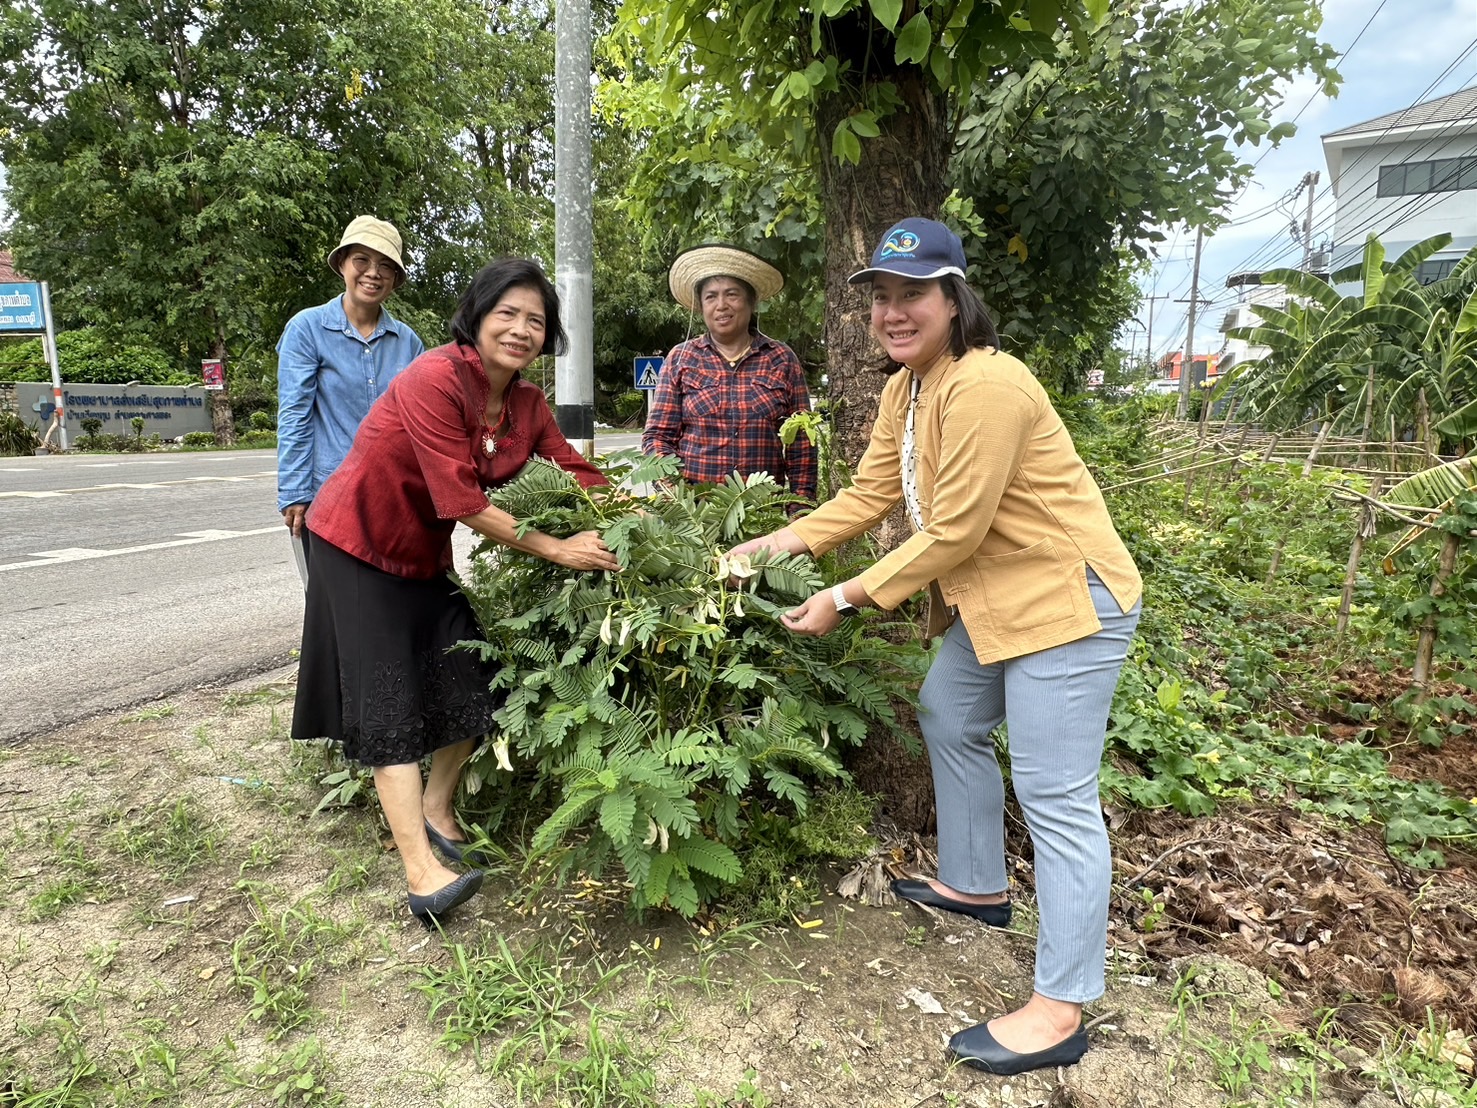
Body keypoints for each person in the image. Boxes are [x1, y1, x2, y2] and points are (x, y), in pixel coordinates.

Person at [727, 218, 1142, 1076]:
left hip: (1069, 602)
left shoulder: (988, 383)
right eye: (879, 297)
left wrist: (843, 595)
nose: (891, 311)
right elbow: (870, 493)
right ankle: (976, 883)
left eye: (910, 293)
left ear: (952, 298)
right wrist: (773, 547)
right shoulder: (905, 393)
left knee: (1056, 792)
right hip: (995, 605)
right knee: (945, 711)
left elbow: (953, 529)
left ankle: (1060, 1008)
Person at [292, 258, 621, 925]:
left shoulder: (526, 404)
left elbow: (572, 469)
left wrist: (638, 512)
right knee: (388, 699)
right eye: (507, 313)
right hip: (354, 544)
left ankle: (438, 807)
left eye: (536, 320)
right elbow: (460, 498)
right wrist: (559, 548)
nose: (521, 329)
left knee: (476, 669)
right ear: (475, 316)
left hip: (418, 555)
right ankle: (420, 873)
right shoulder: (433, 378)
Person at [277, 216, 425, 579]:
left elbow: (421, 427)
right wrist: (294, 492)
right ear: (343, 263)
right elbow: (294, 414)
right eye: (362, 260)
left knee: (387, 605)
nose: (373, 273)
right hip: (328, 496)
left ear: (395, 279)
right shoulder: (306, 329)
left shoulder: (409, 343)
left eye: (386, 266)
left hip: (391, 498)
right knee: (333, 609)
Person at [642, 243, 817, 506]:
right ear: (701, 307)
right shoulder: (681, 358)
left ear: (751, 301)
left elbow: (802, 446)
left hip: (763, 514)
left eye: (732, 294)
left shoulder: (781, 359)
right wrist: (672, 491)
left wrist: (799, 512)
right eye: (711, 296)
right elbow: (657, 436)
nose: (721, 305)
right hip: (696, 514)